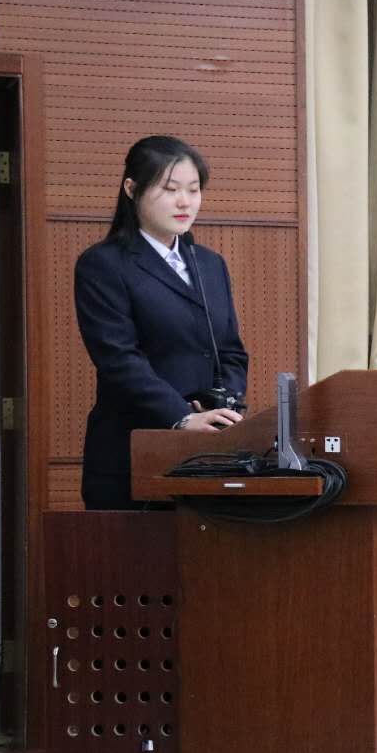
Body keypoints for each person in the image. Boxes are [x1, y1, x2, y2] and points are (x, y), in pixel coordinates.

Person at [74, 135, 248, 510]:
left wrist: (223, 408)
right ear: (131, 189)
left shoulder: (210, 264)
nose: (185, 202)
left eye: (193, 190)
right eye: (170, 189)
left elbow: (231, 351)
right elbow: (119, 360)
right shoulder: (103, 264)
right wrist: (181, 417)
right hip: (131, 451)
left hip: (206, 453)